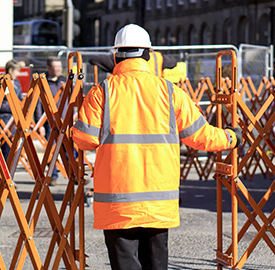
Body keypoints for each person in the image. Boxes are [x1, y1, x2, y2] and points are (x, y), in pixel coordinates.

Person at [72, 24, 242, 270]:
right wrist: (230, 138)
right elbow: (201, 137)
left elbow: (84, 140)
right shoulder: (171, 92)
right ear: (148, 55)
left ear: (116, 56)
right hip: (158, 201)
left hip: (118, 202)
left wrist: (71, 128)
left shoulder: (102, 93)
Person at [34, 57, 66, 186]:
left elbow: (70, 100)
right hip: (49, 123)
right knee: (51, 151)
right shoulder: (43, 82)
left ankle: (73, 174)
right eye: (55, 67)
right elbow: (38, 103)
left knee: (69, 150)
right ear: (48, 68)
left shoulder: (64, 81)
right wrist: (39, 124)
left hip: (65, 120)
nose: (58, 69)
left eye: (59, 67)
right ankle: (52, 175)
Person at [0, 60, 24, 167]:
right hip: (4, 118)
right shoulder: (0, 83)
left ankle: (8, 173)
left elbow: (20, 98)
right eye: (17, 71)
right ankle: (4, 175)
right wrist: (13, 106)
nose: (18, 74)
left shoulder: (17, 83)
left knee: (13, 147)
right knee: (5, 147)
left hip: (15, 120)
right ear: (10, 71)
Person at [88, 49, 177, 76]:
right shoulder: (157, 57)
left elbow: (94, 60)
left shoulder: (116, 58)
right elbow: (173, 62)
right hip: (156, 94)